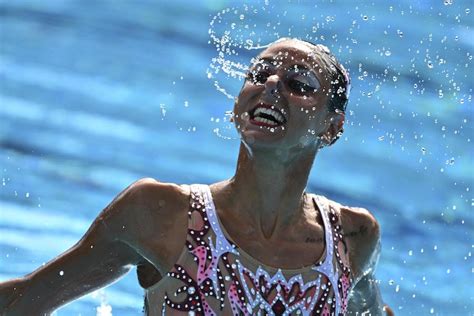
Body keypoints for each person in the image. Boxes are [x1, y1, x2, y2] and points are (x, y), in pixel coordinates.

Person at [0, 38, 394, 316]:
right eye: (260, 74)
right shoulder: (158, 213)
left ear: (332, 127)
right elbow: (24, 302)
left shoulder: (351, 238)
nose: (272, 85)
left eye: (299, 85)